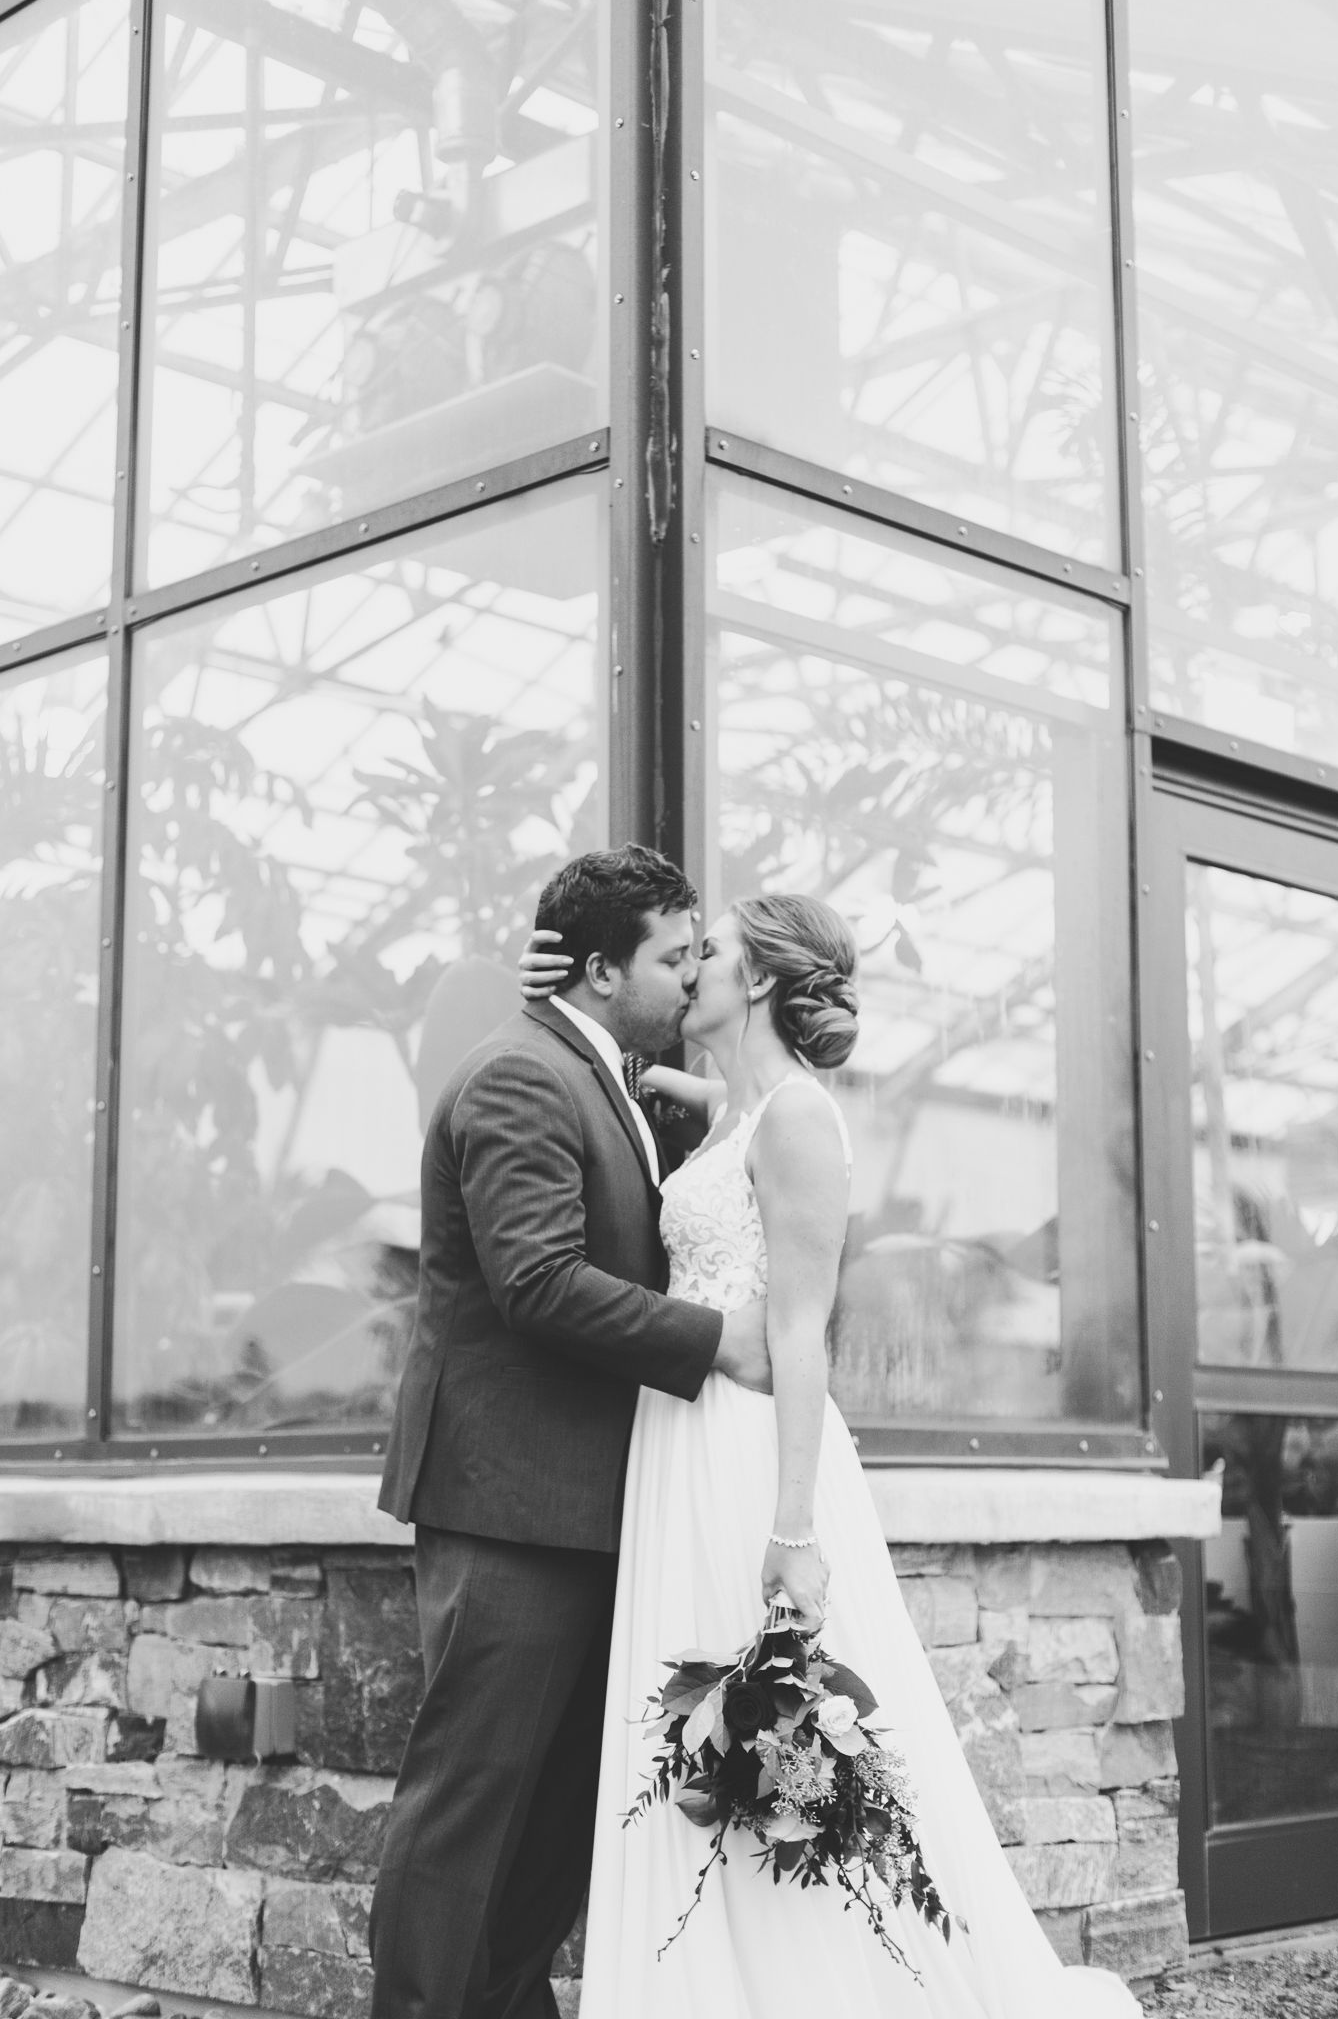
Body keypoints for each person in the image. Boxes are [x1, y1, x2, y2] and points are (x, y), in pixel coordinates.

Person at [519, 891, 1141, 2018]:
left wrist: (793, 1527)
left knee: (769, 1734)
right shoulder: (733, 1108)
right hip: (676, 1450)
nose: (688, 969)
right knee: (692, 1732)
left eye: (708, 952)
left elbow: (803, 1334)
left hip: (751, 1457)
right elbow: (660, 1087)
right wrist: (562, 1005)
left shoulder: (799, 1118)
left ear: (757, 979)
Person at [369, 845, 771, 2019]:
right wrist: (718, 1340)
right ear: (600, 971)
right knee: (470, 1798)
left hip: (592, 1509)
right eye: (673, 955)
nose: (691, 972)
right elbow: (537, 1281)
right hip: (510, 1505)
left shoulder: (611, 1077)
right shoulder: (520, 1074)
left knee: (561, 1807)